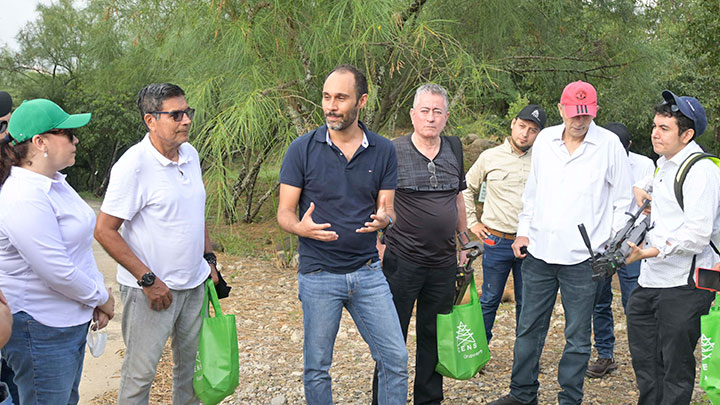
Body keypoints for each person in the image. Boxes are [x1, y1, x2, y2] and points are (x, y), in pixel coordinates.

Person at [489, 81, 631, 405]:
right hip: (539, 251)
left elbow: (624, 202)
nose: (579, 121)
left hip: (584, 258)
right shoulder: (545, 142)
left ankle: (570, 398)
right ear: (560, 109)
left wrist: (611, 247)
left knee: (578, 337)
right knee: (528, 328)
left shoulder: (609, 145)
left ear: (594, 112)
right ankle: (522, 394)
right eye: (573, 114)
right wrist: (523, 230)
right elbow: (533, 192)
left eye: (586, 114)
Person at [277, 64, 408, 405]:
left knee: (395, 358)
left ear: (361, 101)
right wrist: (300, 228)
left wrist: (385, 220)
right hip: (319, 275)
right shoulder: (301, 150)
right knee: (317, 367)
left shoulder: (383, 150)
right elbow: (284, 214)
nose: (331, 106)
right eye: (326, 97)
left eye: (340, 97)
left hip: (367, 272)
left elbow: (388, 209)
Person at [94, 83, 219, 404]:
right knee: (140, 377)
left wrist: (209, 261)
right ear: (150, 120)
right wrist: (148, 279)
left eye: (187, 112)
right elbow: (105, 230)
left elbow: (196, 209)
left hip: (193, 287)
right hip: (150, 292)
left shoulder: (190, 154)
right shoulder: (133, 165)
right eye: (176, 115)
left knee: (190, 374)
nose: (186, 120)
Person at [0, 99, 114, 405]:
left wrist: (94, 297)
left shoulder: (55, 183)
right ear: (40, 142)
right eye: (67, 133)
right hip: (40, 327)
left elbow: (79, 250)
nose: (75, 139)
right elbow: (56, 270)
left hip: (66, 322)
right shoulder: (23, 195)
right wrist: (102, 298)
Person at [369, 83, 468, 404]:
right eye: (424, 111)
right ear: (412, 115)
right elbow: (378, 202)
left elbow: (458, 199)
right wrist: (378, 245)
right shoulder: (390, 150)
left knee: (434, 337)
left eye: (437, 111)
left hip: (443, 263)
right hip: (401, 261)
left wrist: (464, 243)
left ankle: (428, 399)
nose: (430, 118)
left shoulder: (454, 149)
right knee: (391, 338)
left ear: (446, 116)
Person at [625, 91, 719, 404]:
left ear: (687, 134)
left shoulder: (702, 171)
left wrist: (646, 253)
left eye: (664, 128)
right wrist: (642, 186)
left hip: (685, 286)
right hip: (650, 282)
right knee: (647, 364)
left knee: (675, 370)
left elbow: (696, 235)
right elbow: (657, 187)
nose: (654, 133)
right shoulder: (663, 164)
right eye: (655, 125)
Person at [462, 104, 546, 343]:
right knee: (489, 299)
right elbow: (466, 188)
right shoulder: (490, 157)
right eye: (522, 126)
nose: (525, 134)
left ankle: (526, 357)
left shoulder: (544, 161)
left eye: (532, 130)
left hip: (530, 243)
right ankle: (479, 350)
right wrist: (472, 223)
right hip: (495, 239)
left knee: (528, 303)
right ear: (513, 123)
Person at [586, 122, 654, 378]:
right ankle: (605, 354)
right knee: (600, 301)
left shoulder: (645, 165)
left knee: (634, 300)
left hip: (634, 242)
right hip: (602, 242)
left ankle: (644, 357)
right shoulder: (594, 160)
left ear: (629, 147)